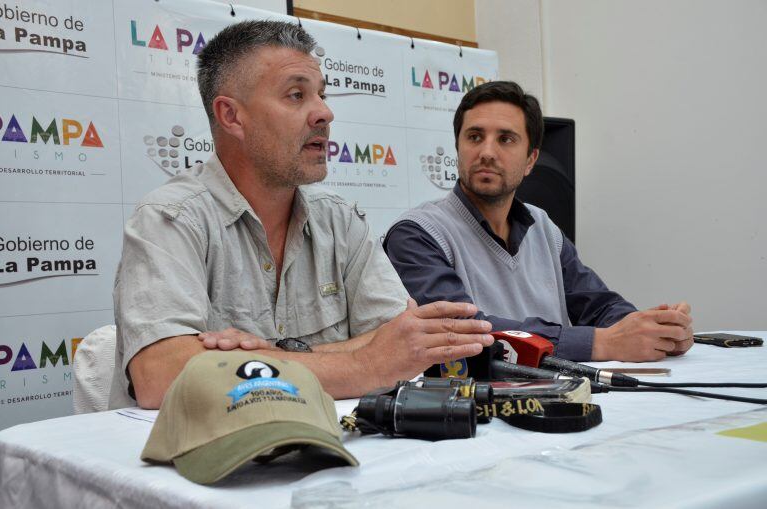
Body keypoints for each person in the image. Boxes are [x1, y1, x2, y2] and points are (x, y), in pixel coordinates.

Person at [109, 20, 494, 410]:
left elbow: (399, 343)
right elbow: (160, 375)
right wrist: (362, 363)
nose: (324, 113)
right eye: (296, 95)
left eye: (322, 95)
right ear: (231, 116)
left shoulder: (341, 221)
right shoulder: (170, 218)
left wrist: (263, 358)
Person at [384, 81, 693, 363]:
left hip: (561, 398)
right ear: (458, 149)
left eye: (505, 139)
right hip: (475, 412)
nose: (487, 152)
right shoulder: (418, 234)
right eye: (475, 137)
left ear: (531, 160)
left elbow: (598, 305)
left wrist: (657, 332)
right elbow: (463, 334)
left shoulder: (543, 227)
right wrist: (600, 343)